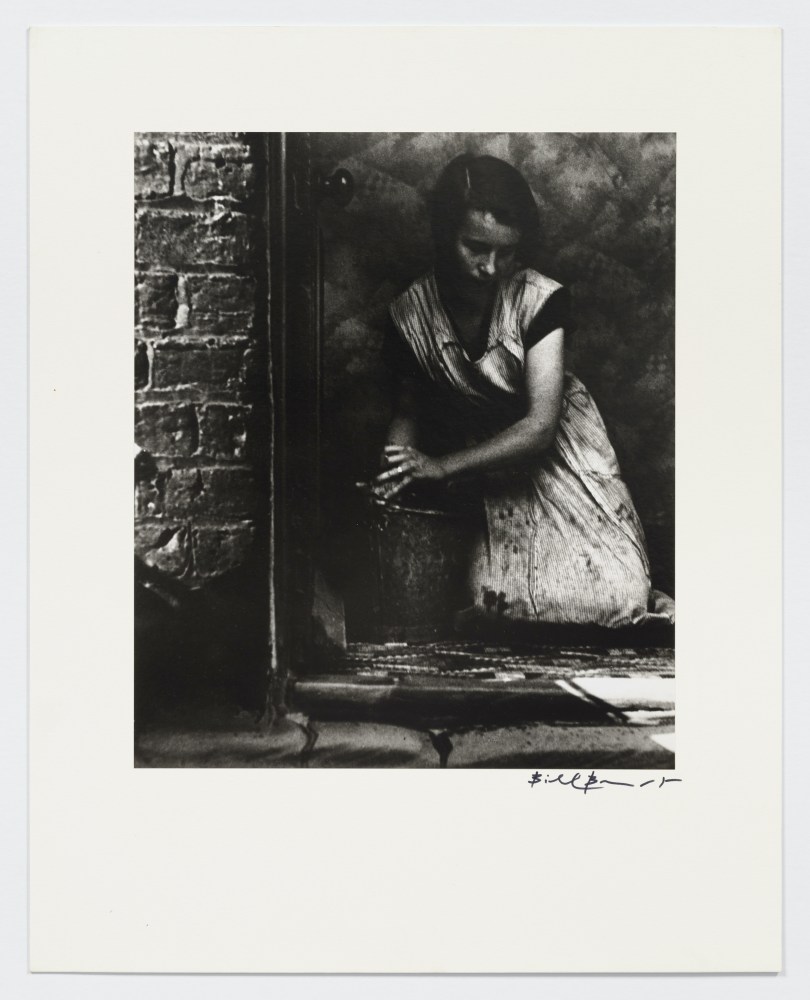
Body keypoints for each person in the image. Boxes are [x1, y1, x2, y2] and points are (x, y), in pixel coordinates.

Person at [374, 153, 672, 628]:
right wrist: (393, 481)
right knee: (499, 606)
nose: (490, 267)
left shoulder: (540, 299)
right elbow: (407, 413)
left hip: (557, 449)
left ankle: (638, 588)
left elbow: (539, 427)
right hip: (489, 464)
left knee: (619, 600)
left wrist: (440, 467)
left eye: (506, 252)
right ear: (442, 234)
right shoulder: (410, 315)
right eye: (475, 246)